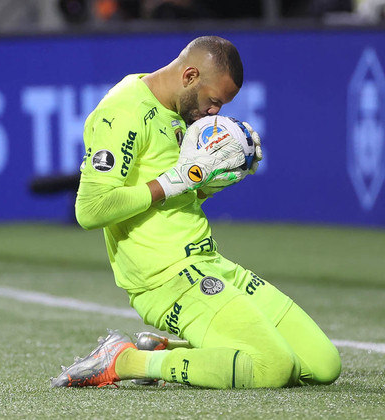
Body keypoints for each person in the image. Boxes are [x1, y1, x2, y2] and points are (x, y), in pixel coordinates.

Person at [50, 35, 341, 389]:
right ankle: (126, 360)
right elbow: (91, 209)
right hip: (166, 279)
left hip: (209, 262)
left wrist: (214, 181)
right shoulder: (123, 111)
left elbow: (175, 201)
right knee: (273, 368)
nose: (214, 112)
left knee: (323, 365)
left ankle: (163, 349)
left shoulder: (178, 109)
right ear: (189, 76)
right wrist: (172, 181)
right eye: (213, 101)